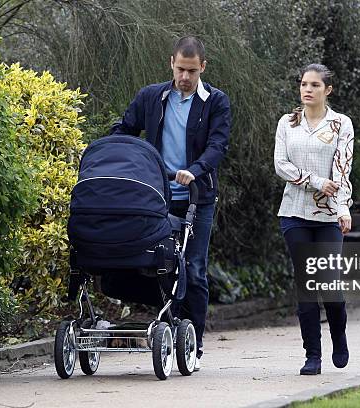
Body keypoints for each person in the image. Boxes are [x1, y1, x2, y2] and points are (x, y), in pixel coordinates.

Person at [112, 35, 231, 370]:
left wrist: (194, 171)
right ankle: (172, 335)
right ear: (171, 63)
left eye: (192, 71)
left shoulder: (216, 102)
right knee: (164, 267)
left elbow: (217, 146)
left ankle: (194, 341)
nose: (185, 77)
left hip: (198, 198)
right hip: (158, 197)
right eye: (180, 69)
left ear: (202, 67)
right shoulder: (152, 97)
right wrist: (102, 151)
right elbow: (126, 129)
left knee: (193, 269)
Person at [274, 63, 354, 375]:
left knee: (330, 285)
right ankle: (312, 357)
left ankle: (339, 335)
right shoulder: (287, 123)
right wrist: (316, 181)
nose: (307, 89)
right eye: (304, 84)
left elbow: (343, 171)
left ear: (328, 90)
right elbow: (281, 165)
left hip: (330, 216)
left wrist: (343, 208)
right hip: (294, 213)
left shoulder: (341, 124)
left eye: (315, 85)